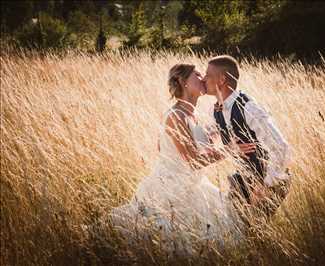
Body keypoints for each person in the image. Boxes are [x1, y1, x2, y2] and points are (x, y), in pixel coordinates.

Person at [109, 64, 243, 255]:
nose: (203, 77)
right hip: (171, 189)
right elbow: (193, 161)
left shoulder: (196, 115)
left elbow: (197, 148)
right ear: (183, 82)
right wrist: (229, 151)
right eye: (197, 75)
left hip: (194, 184)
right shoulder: (175, 116)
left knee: (222, 225)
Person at [202, 55, 291, 217]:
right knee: (236, 227)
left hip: (270, 181)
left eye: (208, 74)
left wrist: (265, 185)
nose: (203, 78)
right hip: (243, 179)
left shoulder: (248, 107)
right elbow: (206, 141)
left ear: (222, 80)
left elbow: (281, 148)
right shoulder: (214, 111)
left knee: (253, 230)